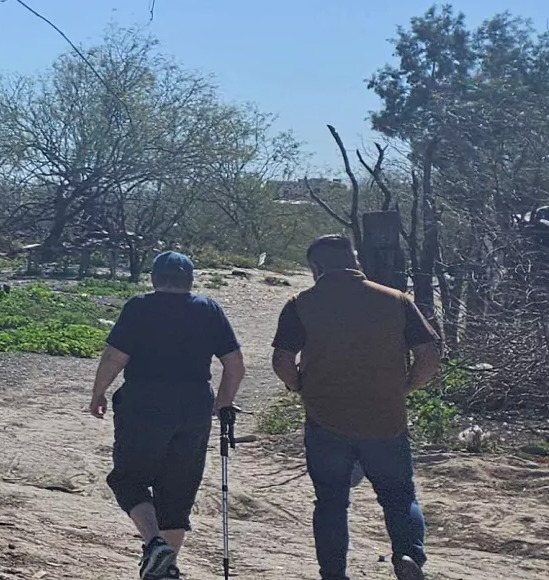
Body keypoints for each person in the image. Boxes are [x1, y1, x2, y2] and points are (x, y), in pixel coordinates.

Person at [272, 235, 441, 580]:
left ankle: (333, 573)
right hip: (386, 419)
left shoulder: (300, 303)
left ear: (316, 268)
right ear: (355, 262)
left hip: (325, 419)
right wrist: (406, 386)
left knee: (331, 502)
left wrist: (299, 386)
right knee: (399, 497)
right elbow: (429, 355)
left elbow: (282, 360)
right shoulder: (396, 300)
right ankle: (408, 556)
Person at [90, 251, 246, 580]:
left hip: (144, 402)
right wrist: (223, 402)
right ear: (190, 280)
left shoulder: (139, 307)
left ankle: (154, 545)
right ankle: (164, 570)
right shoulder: (208, 309)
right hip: (194, 406)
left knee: (127, 479)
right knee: (176, 494)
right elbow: (234, 364)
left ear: (153, 278)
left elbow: (114, 356)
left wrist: (98, 392)